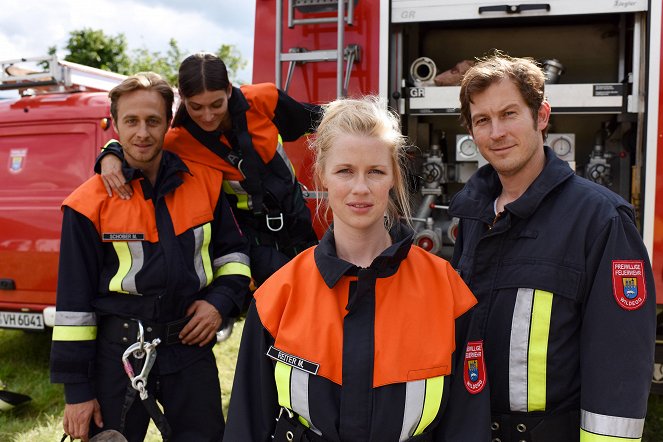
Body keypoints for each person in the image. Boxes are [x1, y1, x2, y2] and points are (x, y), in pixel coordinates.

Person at [224, 96, 480, 441]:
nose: (361, 188)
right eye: (345, 171)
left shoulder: (447, 291)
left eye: (375, 171)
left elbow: (467, 424)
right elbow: (246, 424)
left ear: (394, 178)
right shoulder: (279, 294)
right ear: (322, 177)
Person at [448, 52, 656, 442]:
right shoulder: (474, 213)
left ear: (541, 116)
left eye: (509, 114)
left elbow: (619, 360)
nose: (496, 133)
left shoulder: (601, 219)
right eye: (482, 120)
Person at [50, 72, 251, 441]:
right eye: (131, 121)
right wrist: (77, 392)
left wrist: (219, 303)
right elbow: (73, 308)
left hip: (190, 350)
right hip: (117, 357)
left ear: (168, 123)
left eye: (153, 121)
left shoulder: (204, 184)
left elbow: (234, 255)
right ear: (114, 124)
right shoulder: (85, 205)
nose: (142, 132)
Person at [98, 52, 320, 286]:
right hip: (254, 238)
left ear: (228, 90)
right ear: (182, 98)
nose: (207, 116)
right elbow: (139, 147)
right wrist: (110, 152)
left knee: (315, 290)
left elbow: (316, 119)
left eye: (216, 104)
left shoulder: (262, 98)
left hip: (298, 222)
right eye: (196, 107)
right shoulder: (178, 140)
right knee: (290, 293)